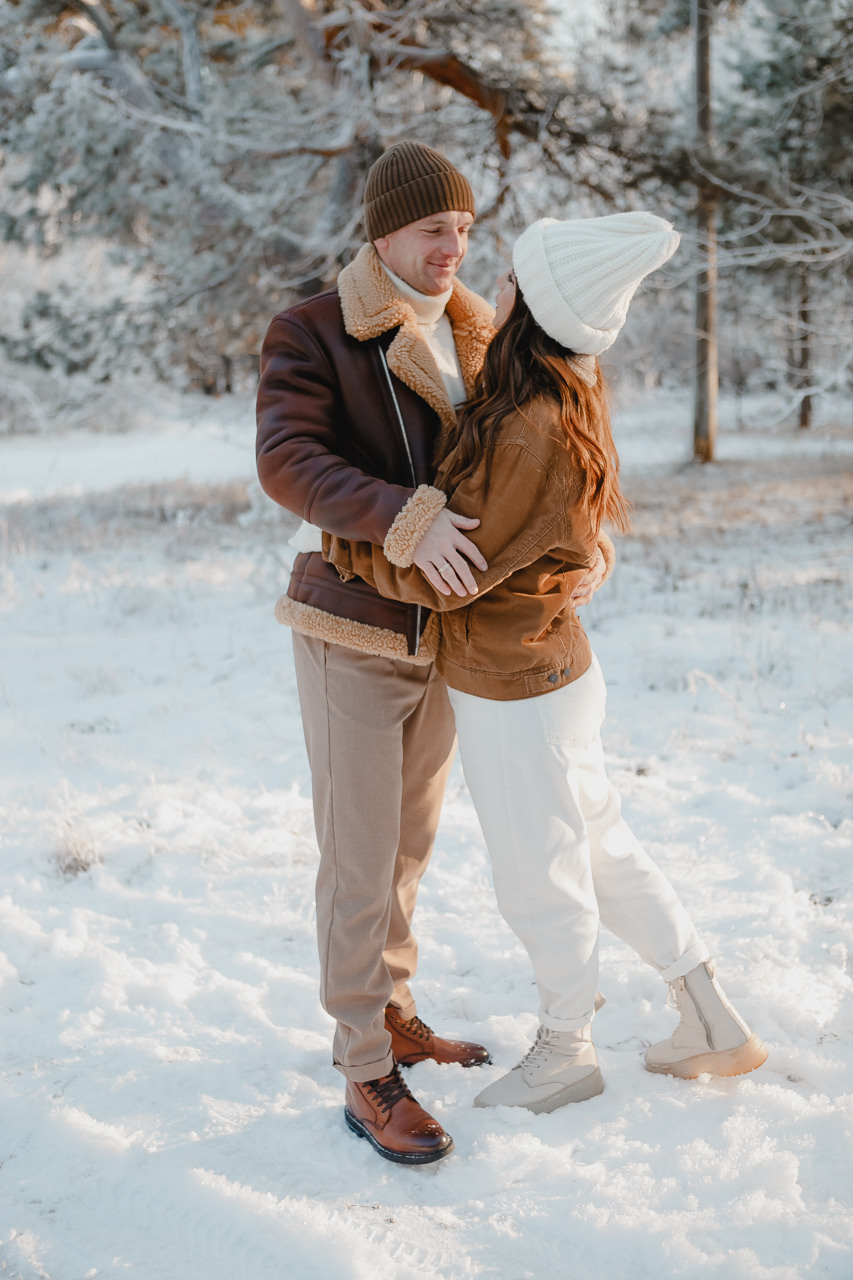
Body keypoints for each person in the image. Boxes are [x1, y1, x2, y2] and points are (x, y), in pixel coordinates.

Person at [325, 211, 769, 1116]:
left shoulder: (528, 422)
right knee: (599, 847)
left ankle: (567, 1048)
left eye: (517, 275)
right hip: (547, 672)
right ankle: (709, 1015)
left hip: (513, 685)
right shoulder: (549, 387)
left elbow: (454, 573)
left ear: (540, 305)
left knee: (542, 869)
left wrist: (348, 548)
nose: (501, 284)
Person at [256, 140, 615, 1164]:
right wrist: (398, 516)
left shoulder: (477, 327)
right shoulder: (315, 330)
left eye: (462, 227)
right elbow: (287, 459)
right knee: (358, 857)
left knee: (408, 848)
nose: (453, 245)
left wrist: (576, 537)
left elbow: (530, 441)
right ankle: (365, 1063)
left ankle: (398, 1009)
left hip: (449, 637)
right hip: (355, 629)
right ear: (383, 230)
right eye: (432, 228)